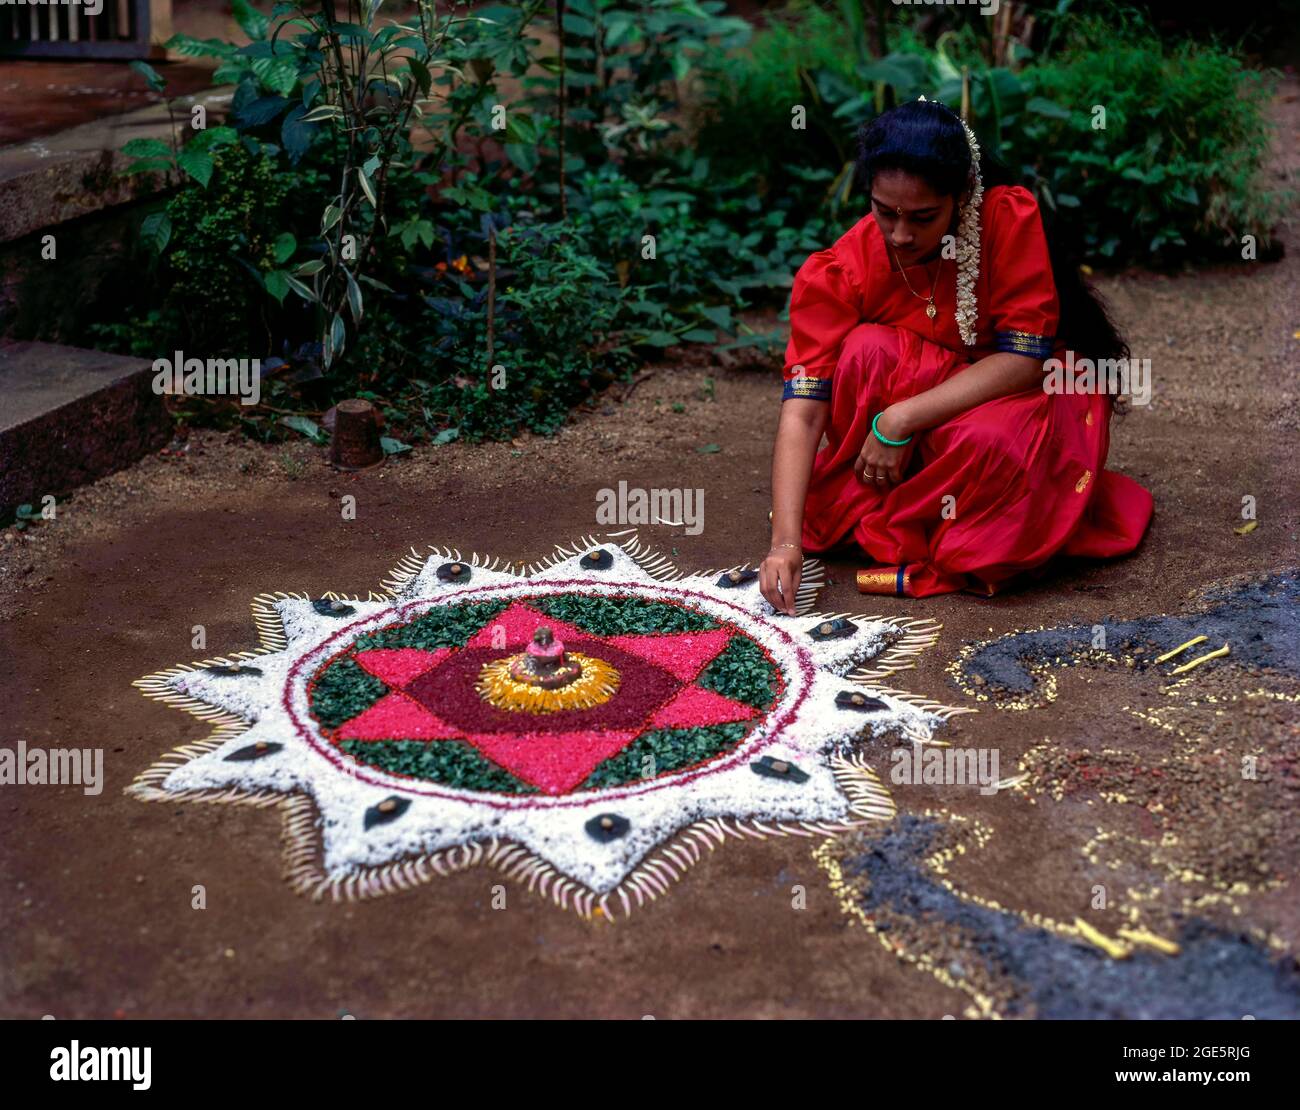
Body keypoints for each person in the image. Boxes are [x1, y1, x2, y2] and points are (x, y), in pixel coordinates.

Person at [760, 98, 1153, 610]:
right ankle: (907, 513)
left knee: (991, 443)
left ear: (963, 193)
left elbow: (1024, 363)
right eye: (885, 213)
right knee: (863, 352)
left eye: (923, 217)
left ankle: (940, 528)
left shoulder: (1007, 217)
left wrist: (900, 419)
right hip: (929, 412)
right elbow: (804, 408)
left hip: (1018, 395)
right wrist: (785, 545)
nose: (900, 235)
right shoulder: (841, 267)